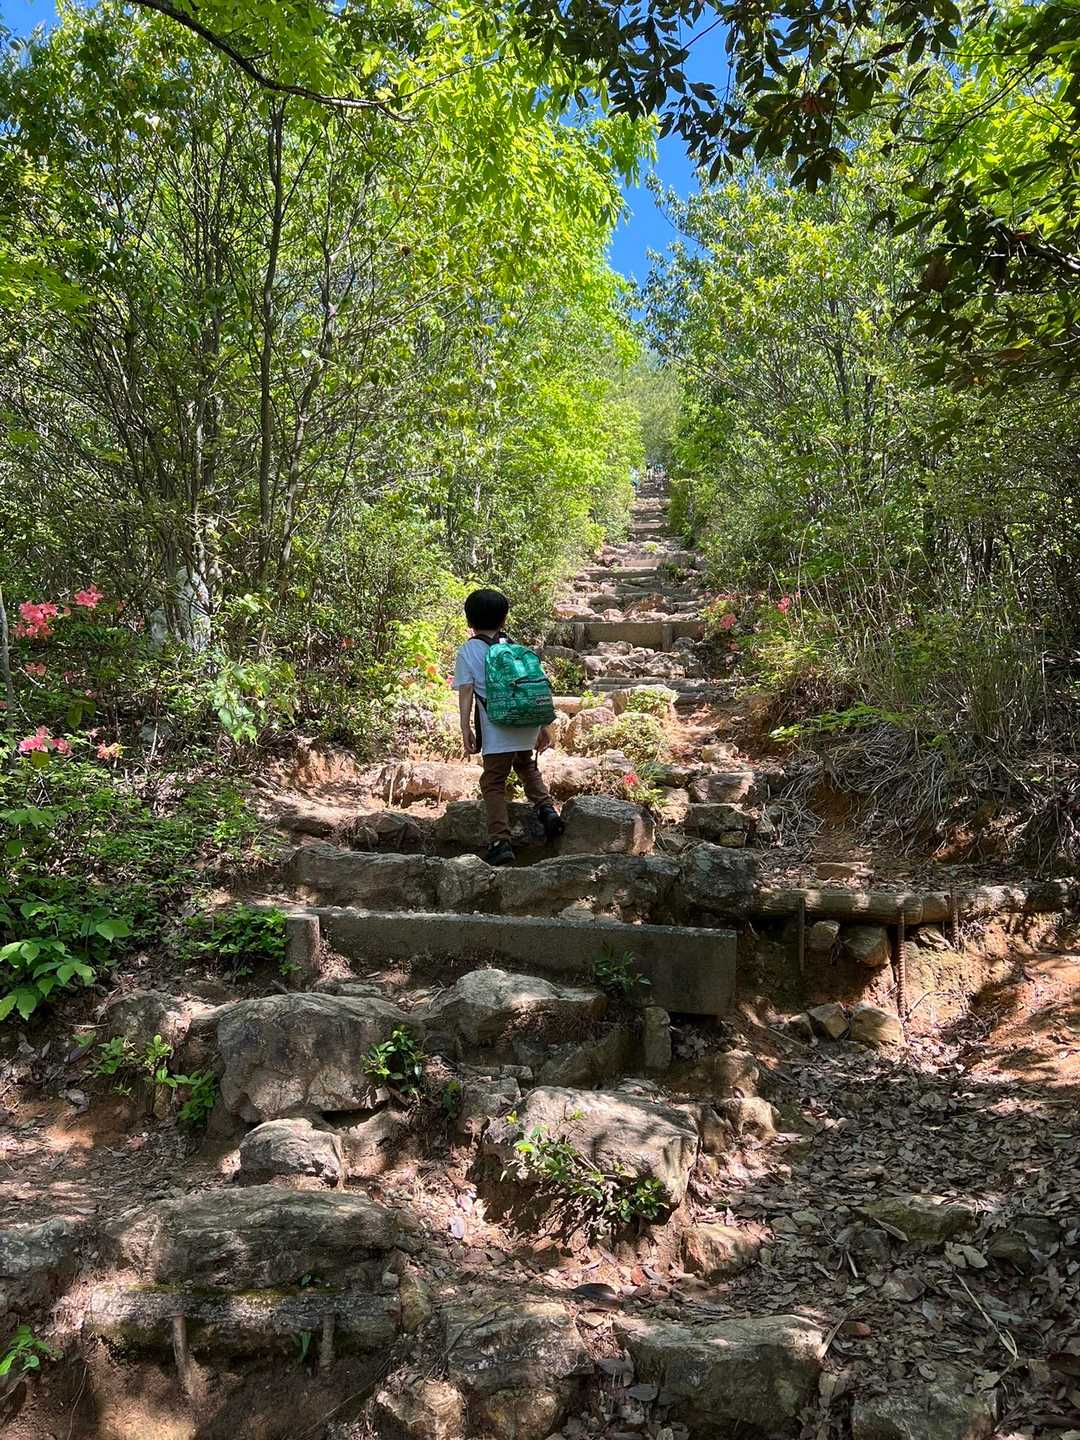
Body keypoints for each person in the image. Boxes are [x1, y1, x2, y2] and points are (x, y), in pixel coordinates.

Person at [452, 588, 564, 865]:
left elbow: (466, 693)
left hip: (497, 727)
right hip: (526, 723)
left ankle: (500, 841)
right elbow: (532, 690)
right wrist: (542, 725)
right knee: (526, 766)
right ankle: (547, 811)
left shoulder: (468, 650)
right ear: (504, 620)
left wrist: (465, 728)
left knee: (493, 782)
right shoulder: (515, 648)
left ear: (469, 621)